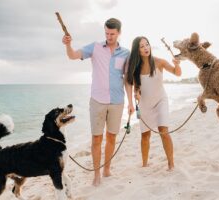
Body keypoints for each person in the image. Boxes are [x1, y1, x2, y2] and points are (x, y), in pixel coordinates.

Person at [62, 18, 134, 186]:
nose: (109, 36)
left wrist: (131, 103)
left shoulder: (125, 53)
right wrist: (67, 44)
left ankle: (107, 169)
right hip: (97, 101)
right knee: (96, 139)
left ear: (119, 33)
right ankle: (96, 175)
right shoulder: (94, 47)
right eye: (107, 33)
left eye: (112, 34)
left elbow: (127, 80)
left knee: (111, 137)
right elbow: (73, 55)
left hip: (117, 102)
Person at [126, 36, 181, 170]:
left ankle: (171, 163)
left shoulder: (160, 62)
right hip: (144, 104)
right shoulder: (135, 68)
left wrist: (177, 65)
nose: (146, 48)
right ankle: (144, 164)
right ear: (137, 51)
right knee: (145, 136)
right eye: (142, 46)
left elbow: (177, 73)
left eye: (147, 45)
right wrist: (136, 94)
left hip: (160, 100)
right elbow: (135, 86)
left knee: (163, 130)